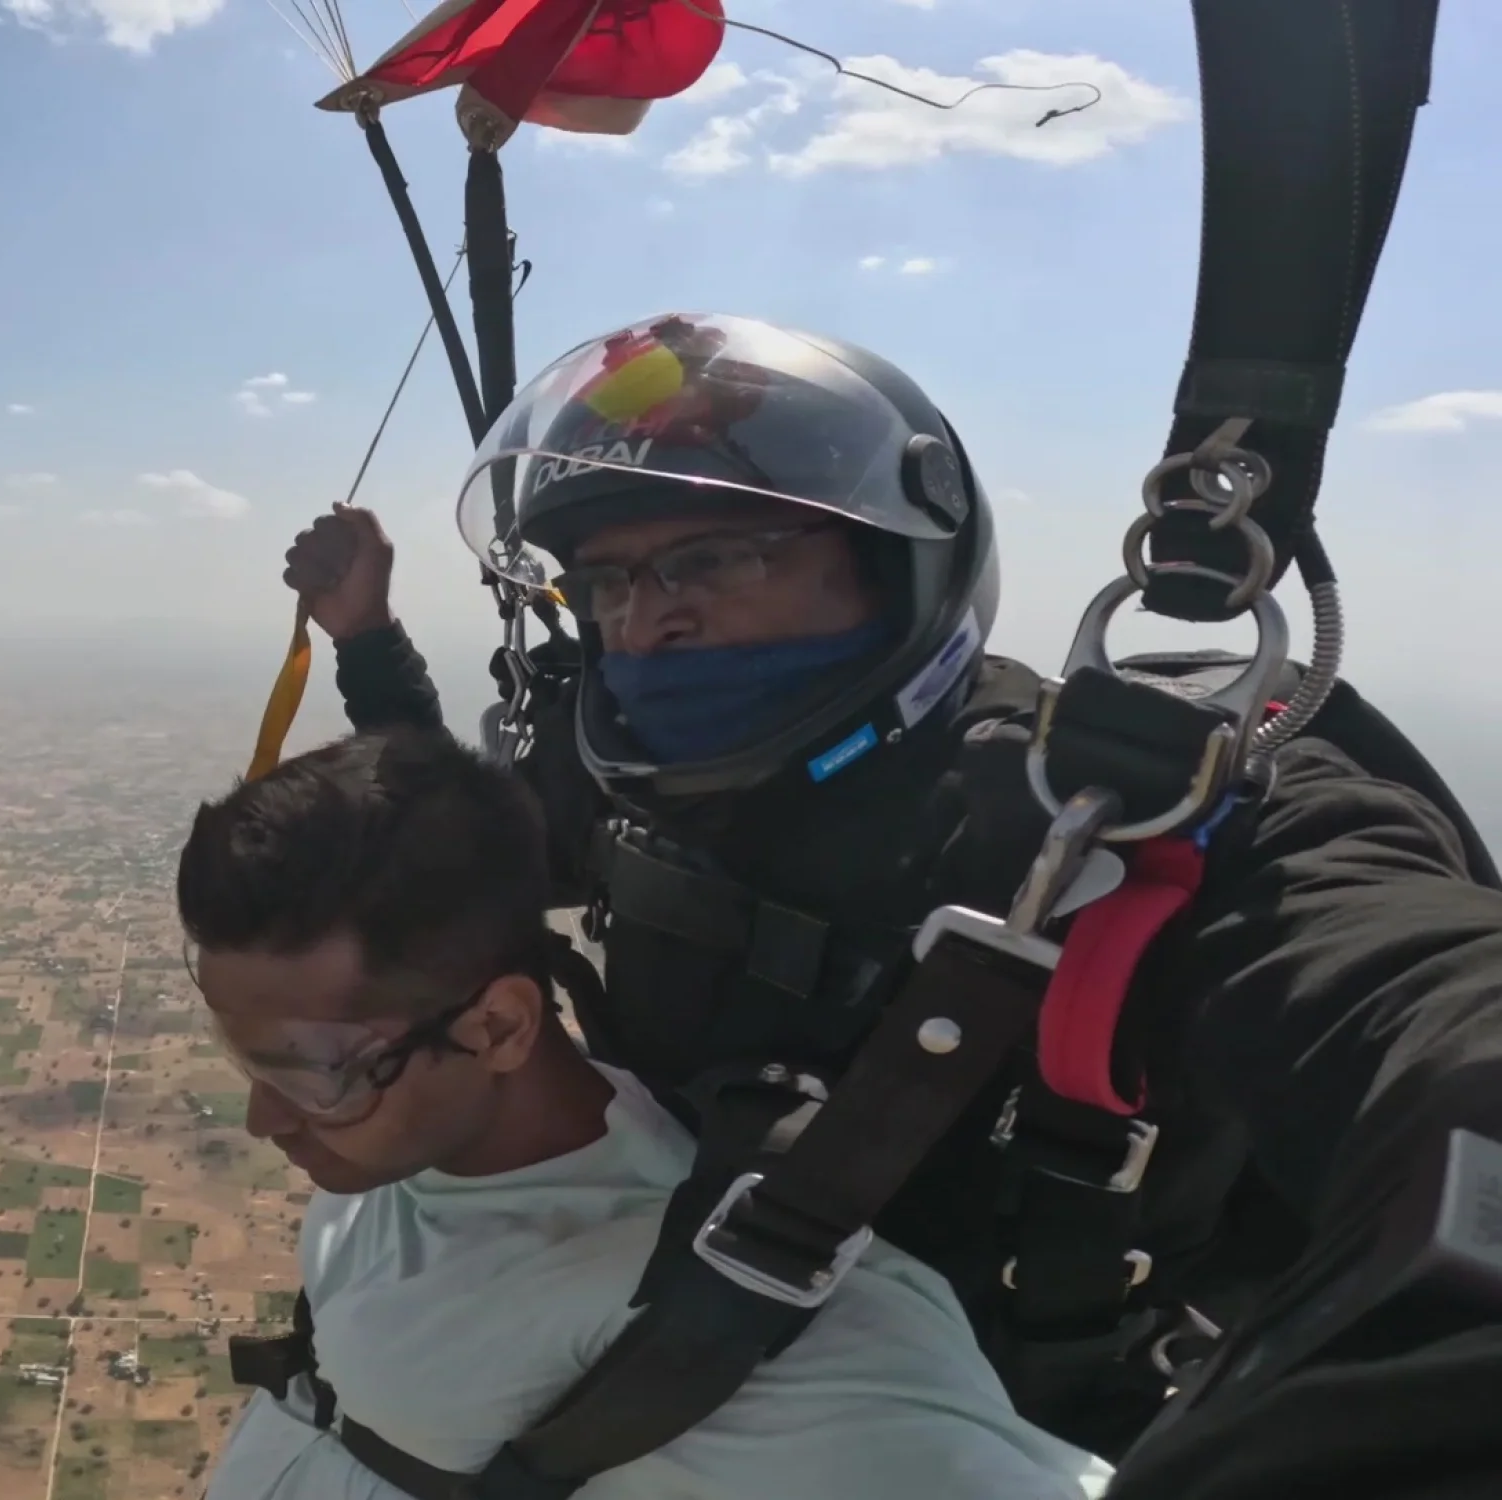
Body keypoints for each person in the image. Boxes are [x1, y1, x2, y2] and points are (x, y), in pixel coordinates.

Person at [277, 313, 1502, 1487]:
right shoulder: (638, 781)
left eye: (712, 560)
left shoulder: (1105, 820)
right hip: (666, 1379)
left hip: (982, 1435)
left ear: (889, 566)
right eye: (609, 585)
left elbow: (1416, 1001)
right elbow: (473, 856)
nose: (649, 624)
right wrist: (368, 637)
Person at [177, 726, 1116, 1499]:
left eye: (311, 1072)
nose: (265, 1119)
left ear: (498, 1027)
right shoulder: (407, 1147)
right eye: (246, 1058)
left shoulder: (736, 1325)